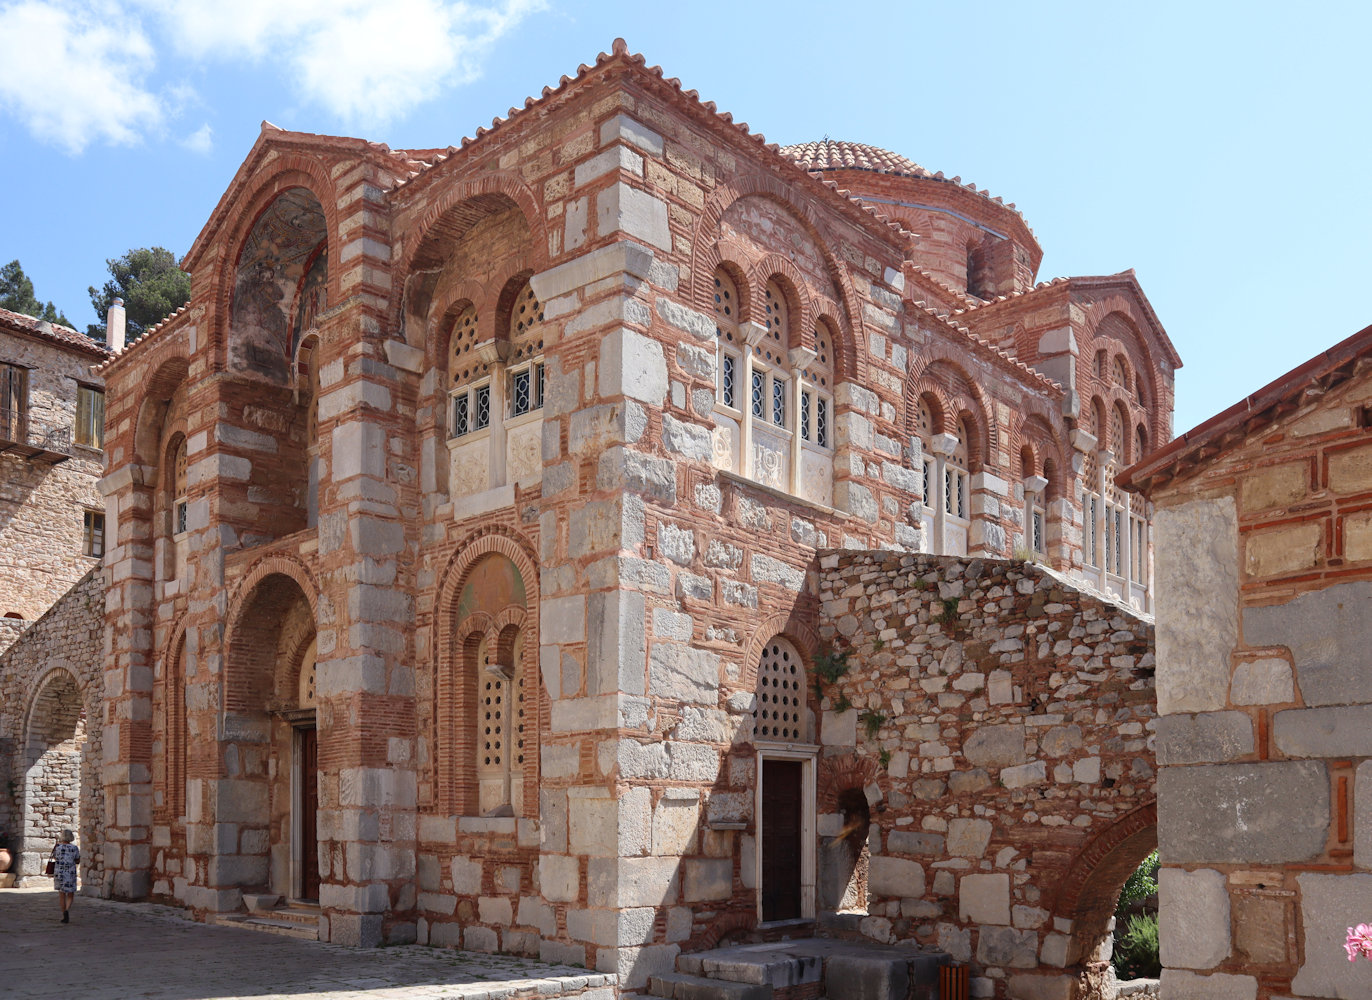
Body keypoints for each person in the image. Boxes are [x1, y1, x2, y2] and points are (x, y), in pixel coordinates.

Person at [50, 830, 79, 923]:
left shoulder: (57, 847)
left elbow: (54, 857)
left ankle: (64, 915)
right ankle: (67, 909)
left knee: (61, 895)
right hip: (70, 873)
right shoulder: (74, 848)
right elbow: (77, 860)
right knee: (70, 894)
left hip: (59, 872)